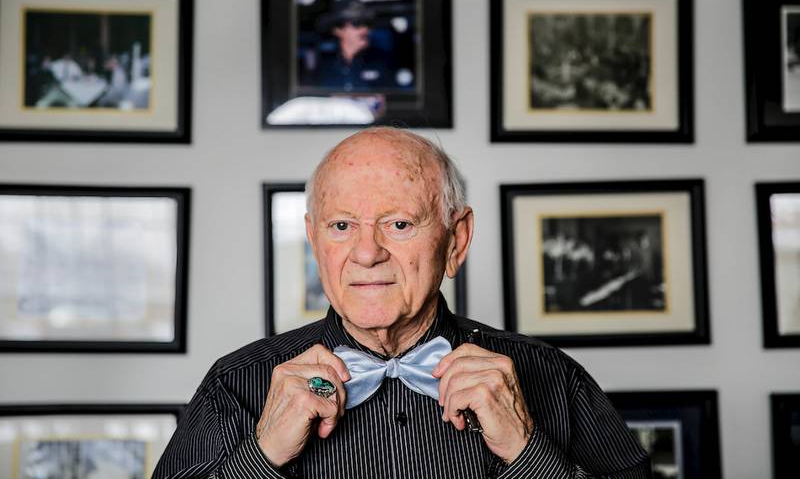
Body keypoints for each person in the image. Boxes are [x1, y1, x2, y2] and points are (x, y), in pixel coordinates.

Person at [153, 127, 651, 479]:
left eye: (399, 224)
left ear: (456, 241)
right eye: (342, 226)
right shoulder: (235, 386)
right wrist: (260, 459)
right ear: (314, 240)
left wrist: (525, 451)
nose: (367, 254)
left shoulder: (554, 379)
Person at [308, 0, 393, 91]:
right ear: (338, 30)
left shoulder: (383, 62)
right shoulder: (322, 65)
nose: (365, 29)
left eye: (368, 24)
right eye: (357, 23)